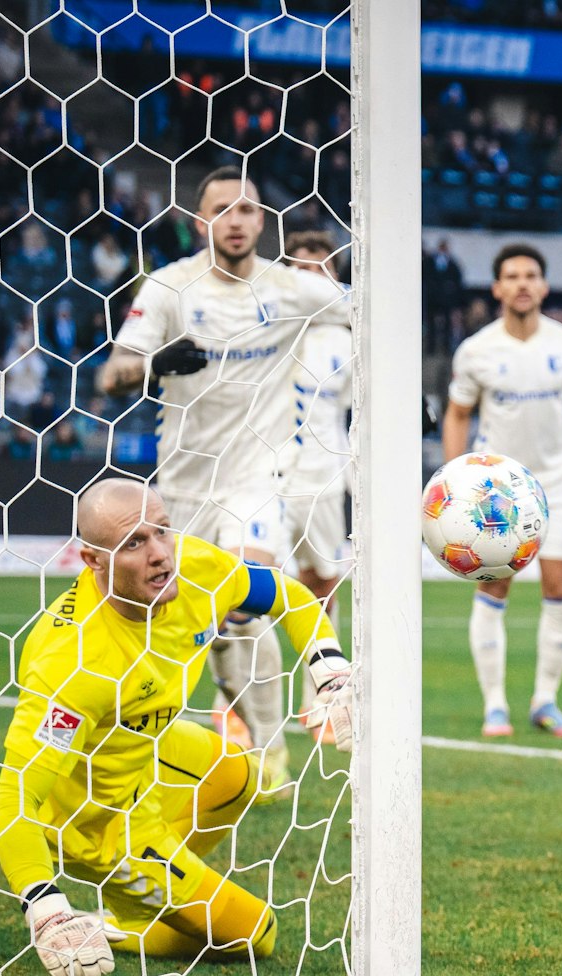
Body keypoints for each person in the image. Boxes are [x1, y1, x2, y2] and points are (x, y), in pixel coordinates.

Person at [0, 480, 353, 976]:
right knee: (256, 934)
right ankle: (129, 911)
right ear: (92, 560)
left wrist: (329, 671)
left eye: (163, 530)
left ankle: (155, 886)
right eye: (134, 543)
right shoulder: (71, 666)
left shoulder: (197, 569)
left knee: (241, 774)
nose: (161, 554)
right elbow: (14, 802)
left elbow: (289, 597)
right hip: (94, 819)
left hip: (147, 753)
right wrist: (44, 907)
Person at [98, 166, 348, 790]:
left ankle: (268, 755)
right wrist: (154, 361)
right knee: (190, 621)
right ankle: (198, 733)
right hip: (181, 485)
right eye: (220, 210)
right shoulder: (169, 288)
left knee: (244, 601)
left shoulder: (291, 288)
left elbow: (368, 319)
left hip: (259, 475)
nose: (234, 221)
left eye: (246, 209)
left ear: (263, 222)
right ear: (199, 221)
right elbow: (112, 374)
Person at [441, 243, 562, 737]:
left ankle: (545, 702)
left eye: (530, 275)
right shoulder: (476, 350)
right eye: (511, 276)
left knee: (560, 587)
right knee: (495, 586)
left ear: (544, 286)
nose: (522, 284)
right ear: (497, 288)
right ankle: (495, 705)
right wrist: (455, 481)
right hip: (496, 489)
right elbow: (457, 415)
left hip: (555, 483)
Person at [280, 230, 352, 730]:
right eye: (299, 271)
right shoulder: (262, 329)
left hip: (324, 476)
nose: (309, 280)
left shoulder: (346, 341)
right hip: (262, 477)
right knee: (251, 587)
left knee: (323, 585)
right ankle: (237, 709)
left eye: (319, 270)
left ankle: (322, 700)